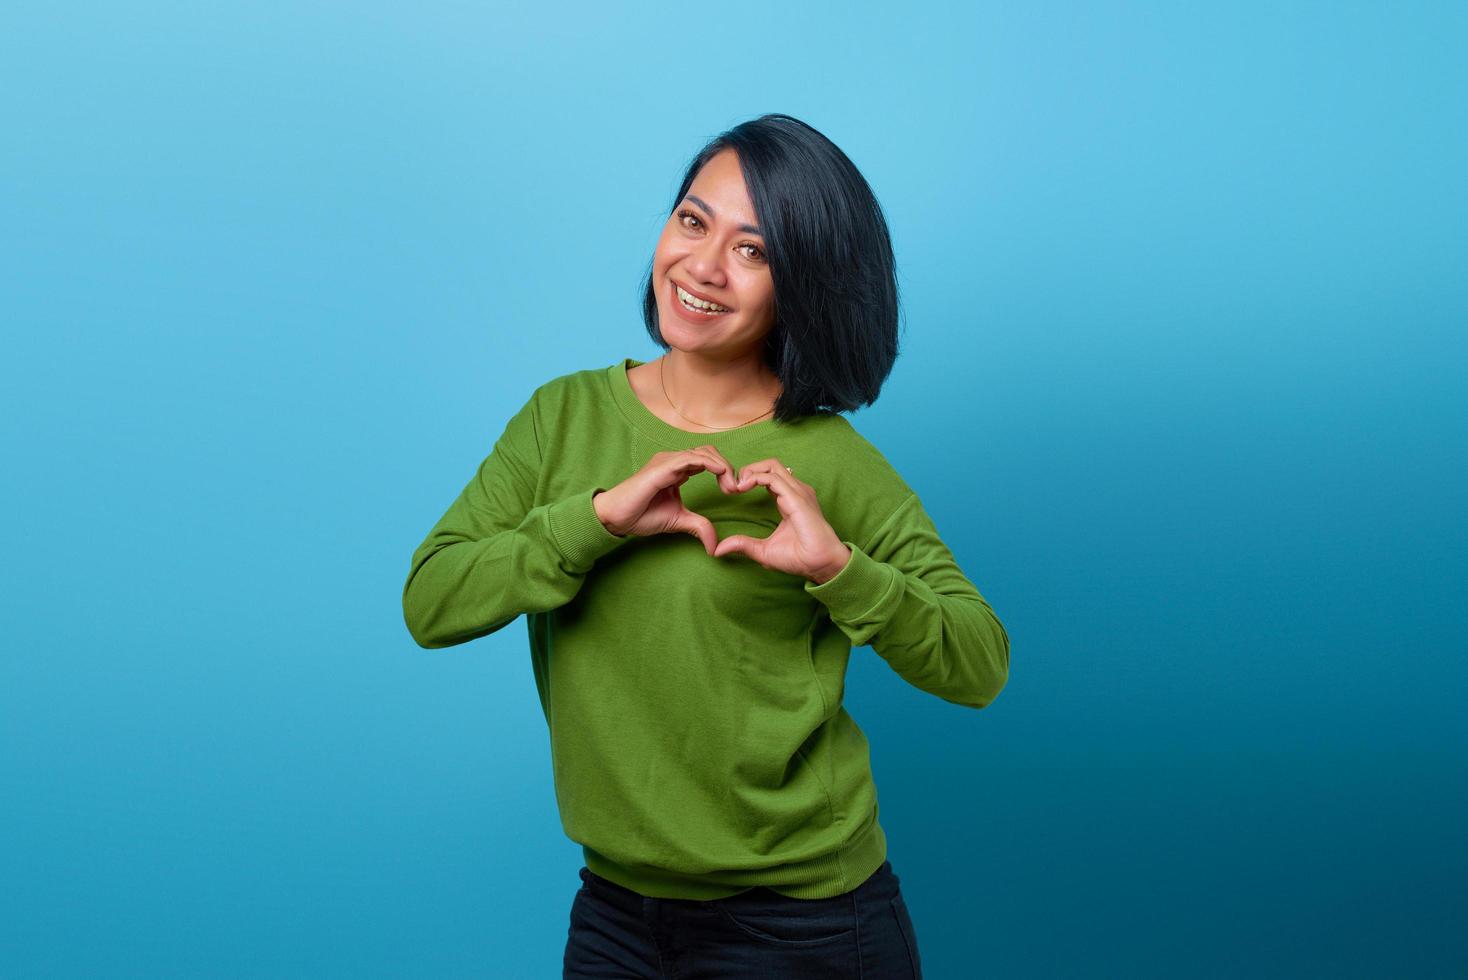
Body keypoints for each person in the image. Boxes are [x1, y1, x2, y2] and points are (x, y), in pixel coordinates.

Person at [401, 113, 1010, 979]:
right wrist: (595, 523)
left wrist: (842, 572)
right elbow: (432, 602)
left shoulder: (832, 462)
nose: (703, 266)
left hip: (801, 925)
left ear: (802, 285)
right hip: (615, 912)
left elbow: (979, 663)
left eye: (753, 251)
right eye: (693, 220)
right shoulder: (560, 419)